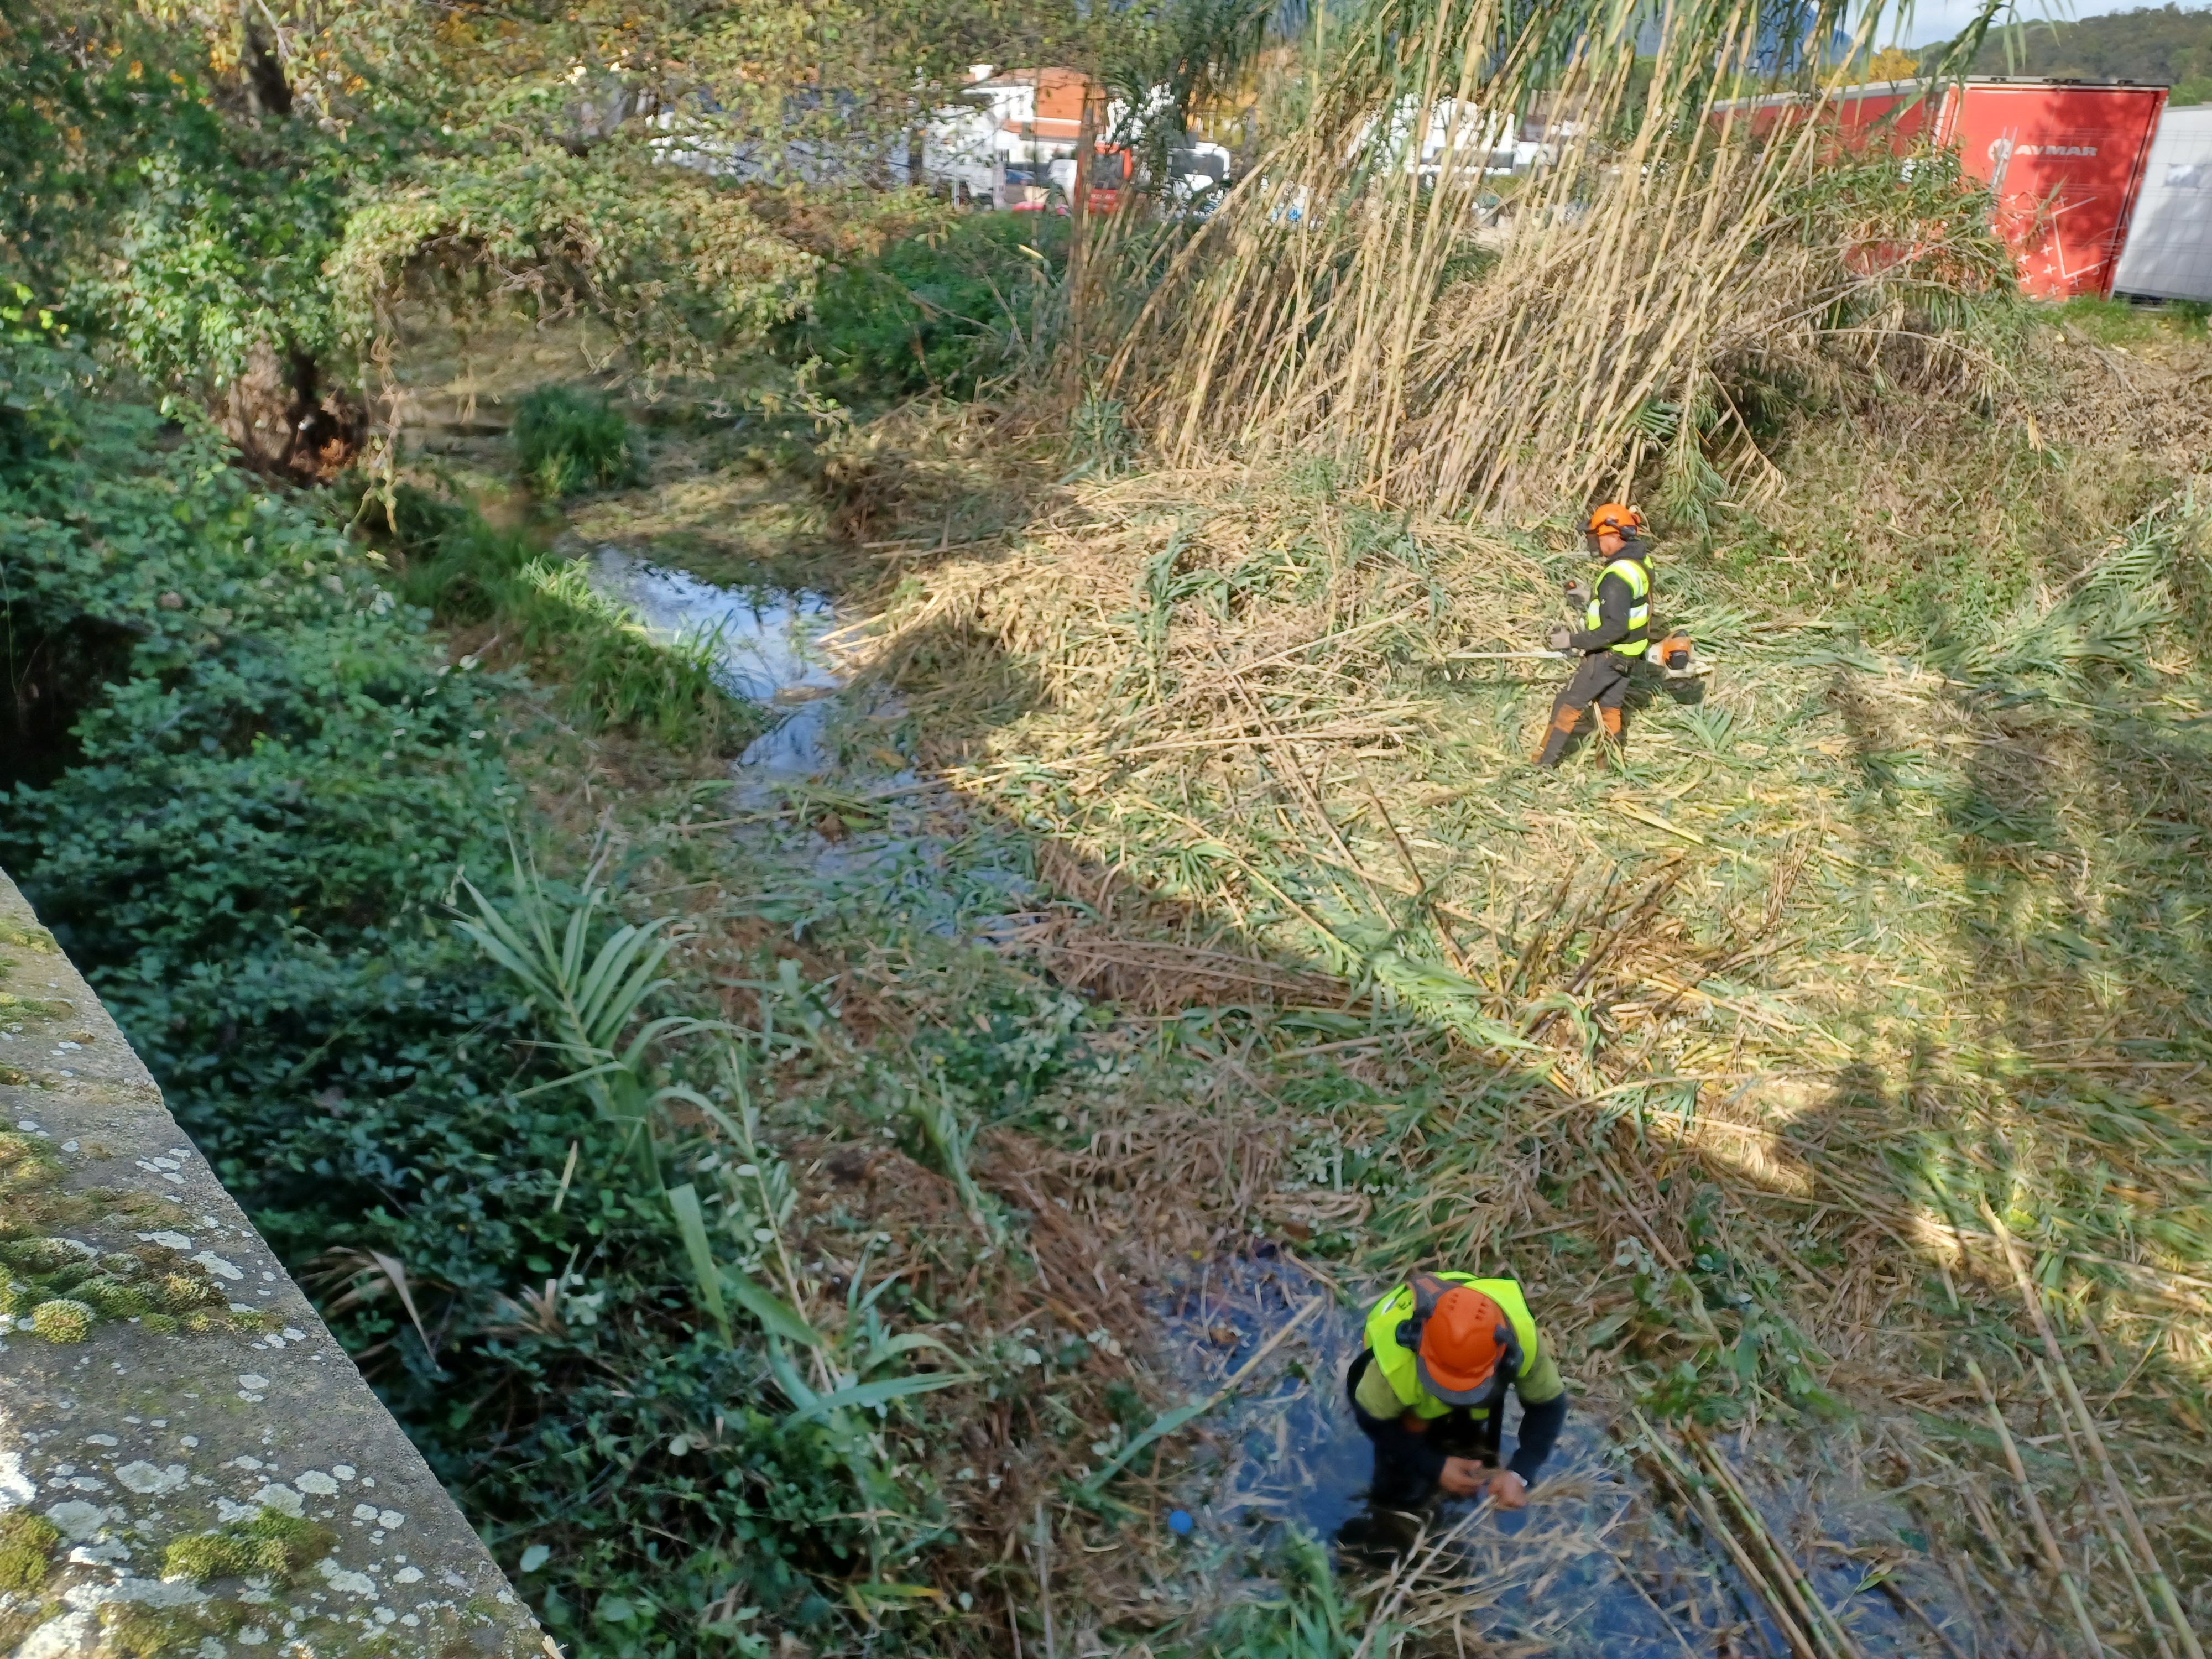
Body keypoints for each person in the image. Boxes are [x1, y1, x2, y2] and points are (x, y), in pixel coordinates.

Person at [1347, 1271, 1567, 1510]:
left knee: (1468, 1438)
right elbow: (1372, 1420)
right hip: (1397, 1387)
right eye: (1443, 1386)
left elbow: (1548, 1405)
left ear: (1504, 1356)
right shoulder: (1392, 1365)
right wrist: (1434, 1465)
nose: (1452, 1395)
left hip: (1475, 1370)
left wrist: (1520, 1472)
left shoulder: (1523, 1340)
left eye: (1463, 1388)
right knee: (1399, 1482)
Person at [1533, 502, 1652, 768]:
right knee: (1610, 709)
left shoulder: (1616, 577)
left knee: (1569, 704)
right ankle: (1607, 764)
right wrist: (1593, 598)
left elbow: (1614, 628)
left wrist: (1571, 641)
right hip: (1630, 654)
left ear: (1613, 535)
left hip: (1608, 656)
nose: (1593, 543)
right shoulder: (1639, 562)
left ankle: (1543, 764)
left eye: (1596, 537)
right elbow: (1629, 603)